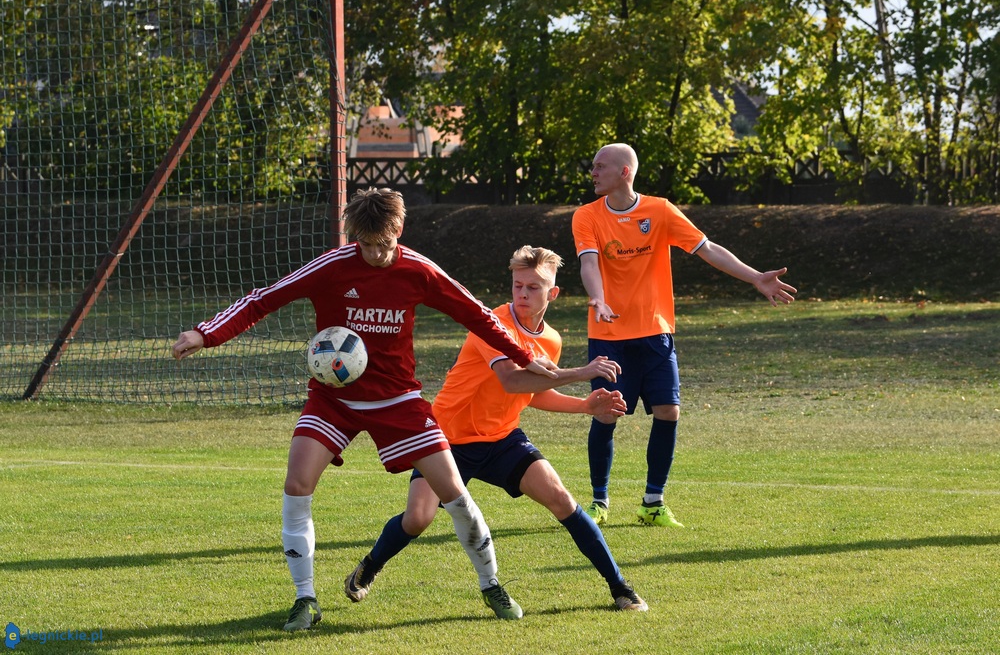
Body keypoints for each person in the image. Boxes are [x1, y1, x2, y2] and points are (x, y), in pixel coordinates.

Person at [171, 188, 559, 629]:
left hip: (398, 399)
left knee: (452, 491)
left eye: (383, 244)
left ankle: (491, 585)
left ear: (399, 232)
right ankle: (305, 600)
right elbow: (265, 298)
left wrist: (527, 356)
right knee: (297, 482)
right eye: (365, 244)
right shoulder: (333, 266)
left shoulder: (419, 271)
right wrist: (206, 334)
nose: (374, 253)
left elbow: (477, 315)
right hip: (333, 398)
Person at [343, 245, 649, 612]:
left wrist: (585, 407)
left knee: (562, 500)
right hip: (447, 440)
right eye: (518, 285)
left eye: (533, 287)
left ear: (553, 293)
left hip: (503, 439)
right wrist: (582, 373)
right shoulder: (491, 323)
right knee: (418, 518)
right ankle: (368, 567)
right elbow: (512, 381)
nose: (522, 293)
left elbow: (533, 393)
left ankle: (620, 588)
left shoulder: (550, 339)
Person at [573, 143, 797, 528]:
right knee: (607, 413)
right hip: (608, 334)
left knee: (668, 411)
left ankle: (653, 503)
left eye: (600, 166)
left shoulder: (659, 210)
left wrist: (756, 277)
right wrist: (597, 297)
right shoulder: (586, 216)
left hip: (656, 332)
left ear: (625, 172)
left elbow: (708, 249)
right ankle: (599, 503)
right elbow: (589, 262)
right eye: (592, 166)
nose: (592, 172)